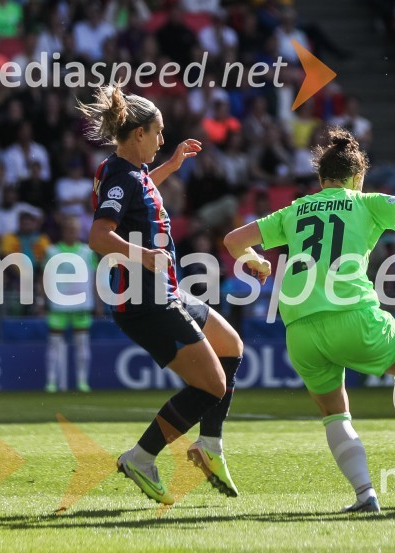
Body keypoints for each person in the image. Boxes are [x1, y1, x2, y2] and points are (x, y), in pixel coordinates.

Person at [224, 128, 395, 513]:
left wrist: (256, 260)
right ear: (357, 177)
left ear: (321, 180)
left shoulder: (294, 210)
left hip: (299, 327)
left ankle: (365, 494)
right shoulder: (364, 202)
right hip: (352, 313)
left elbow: (234, 239)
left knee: (334, 411)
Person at [78, 85, 270, 505]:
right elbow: (98, 235)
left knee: (231, 347)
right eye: (158, 133)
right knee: (213, 385)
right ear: (139, 134)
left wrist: (172, 164)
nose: (163, 140)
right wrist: (144, 255)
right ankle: (141, 457)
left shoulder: (130, 173)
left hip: (166, 292)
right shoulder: (120, 175)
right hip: (146, 301)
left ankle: (211, 445)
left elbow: (140, 187)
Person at [43, 216, 97, 393]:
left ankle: (82, 382)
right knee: (54, 344)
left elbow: (95, 277)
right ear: (63, 231)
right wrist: (43, 300)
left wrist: (98, 302)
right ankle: (51, 382)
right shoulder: (51, 251)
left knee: (82, 344)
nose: (71, 232)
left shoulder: (88, 251)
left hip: (82, 305)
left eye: (74, 229)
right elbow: (44, 277)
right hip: (58, 305)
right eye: (68, 229)